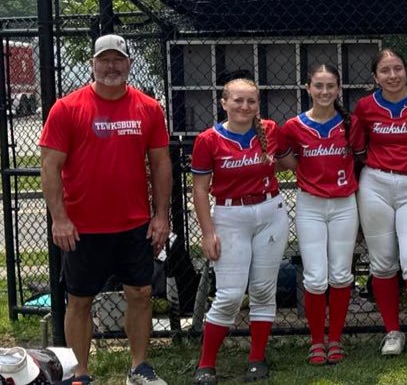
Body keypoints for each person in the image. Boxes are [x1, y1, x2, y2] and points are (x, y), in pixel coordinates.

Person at [38, 34, 170, 385]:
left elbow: (160, 164)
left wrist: (161, 215)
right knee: (79, 300)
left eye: (118, 60)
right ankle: (81, 373)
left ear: (128, 63)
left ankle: (139, 368)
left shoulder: (148, 108)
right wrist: (59, 219)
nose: (111, 66)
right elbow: (50, 167)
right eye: (104, 60)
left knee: (141, 294)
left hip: (134, 224)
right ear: (93, 64)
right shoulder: (67, 108)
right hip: (82, 227)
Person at [190, 76, 288, 384]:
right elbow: (200, 190)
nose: (244, 106)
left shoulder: (270, 130)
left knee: (262, 289)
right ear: (224, 103)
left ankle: (257, 358)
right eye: (237, 100)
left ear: (258, 104)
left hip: (271, 211)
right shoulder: (208, 139)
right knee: (230, 294)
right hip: (230, 215)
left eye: (251, 101)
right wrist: (207, 233)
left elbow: (290, 162)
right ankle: (206, 363)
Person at [351, 48, 407, 360]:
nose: (393, 75)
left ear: (406, 70)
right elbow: (360, 147)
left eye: (398, 68)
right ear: (375, 77)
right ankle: (392, 331)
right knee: (383, 263)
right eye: (385, 71)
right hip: (375, 184)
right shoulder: (365, 106)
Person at [275, 64, 358, 366]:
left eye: (330, 86)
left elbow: (360, 160)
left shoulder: (351, 123)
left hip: (344, 204)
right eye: (318, 86)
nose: (325, 92)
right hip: (310, 204)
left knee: (340, 273)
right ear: (307, 88)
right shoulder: (293, 126)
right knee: (314, 276)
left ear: (339, 89)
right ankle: (316, 341)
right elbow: (286, 162)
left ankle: (334, 339)